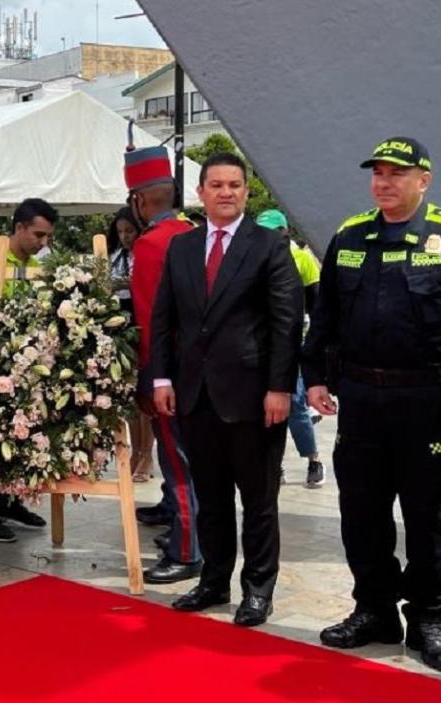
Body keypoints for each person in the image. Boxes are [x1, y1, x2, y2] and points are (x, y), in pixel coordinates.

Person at [304, 137, 441, 673]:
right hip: (362, 401)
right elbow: (325, 317)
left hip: (428, 400)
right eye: (378, 174)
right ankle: (374, 611)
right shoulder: (350, 235)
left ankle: (429, 620)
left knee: (424, 516)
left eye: (397, 174)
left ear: (423, 181)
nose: (384, 183)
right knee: (361, 513)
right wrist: (314, 376)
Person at [150, 151, 302, 624]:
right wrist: (161, 377)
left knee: (258, 501)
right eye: (216, 185)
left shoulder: (268, 246)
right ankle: (213, 582)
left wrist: (280, 387)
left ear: (245, 191)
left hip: (254, 399)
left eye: (234, 185)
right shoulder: (182, 247)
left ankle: (257, 590)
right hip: (194, 396)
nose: (225, 192)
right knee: (212, 499)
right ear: (200, 192)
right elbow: (163, 319)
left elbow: (286, 322)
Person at [122, 146, 203, 585]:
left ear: (139, 200)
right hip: (202, 368)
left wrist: (148, 375)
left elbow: (152, 319)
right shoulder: (193, 232)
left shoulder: (152, 245)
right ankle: (180, 524)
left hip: (170, 370)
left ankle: (187, 549)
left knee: (177, 460)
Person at [0, 198, 56, 543]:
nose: (42, 242)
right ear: (18, 227)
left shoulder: (36, 266)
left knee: (21, 437)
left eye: (47, 237)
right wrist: (0, 327)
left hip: (26, 370)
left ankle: (9, 500)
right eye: (38, 234)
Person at [255, 209, 325, 488]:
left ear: (285, 232)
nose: (268, 238)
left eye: (274, 232)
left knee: (295, 403)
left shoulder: (302, 259)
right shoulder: (253, 259)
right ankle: (275, 464)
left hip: (293, 342)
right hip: (260, 345)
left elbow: (316, 302)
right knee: (264, 407)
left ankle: (313, 458)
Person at [107, 205, 156, 483]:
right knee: (129, 398)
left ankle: (146, 452)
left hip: (141, 323)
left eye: (130, 231)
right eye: (121, 231)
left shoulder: (146, 255)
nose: (125, 236)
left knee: (144, 396)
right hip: (120, 326)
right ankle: (134, 450)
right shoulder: (115, 258)